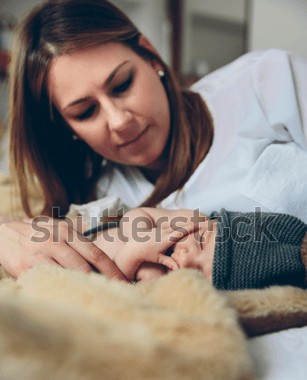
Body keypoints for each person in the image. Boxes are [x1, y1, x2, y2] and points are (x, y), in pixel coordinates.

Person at [1, 0, 307, 280]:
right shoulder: (101, 196)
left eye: (122, 84)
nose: (120, 121)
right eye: (86, 112)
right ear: (67, 127)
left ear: (151, 57)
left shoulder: (266, 81)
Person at [92, 207, 307, 290]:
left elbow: (115, 293)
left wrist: (133, 256)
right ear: (213, 221)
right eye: (202, 241)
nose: (186, 260)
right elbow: (137, 214)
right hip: (90, 227)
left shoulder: (165, 286)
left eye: (198, 273)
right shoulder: (191, 221)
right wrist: (141, 234)